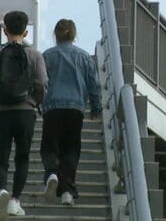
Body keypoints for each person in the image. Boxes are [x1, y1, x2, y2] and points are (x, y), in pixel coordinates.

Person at [0, 11, 48, 220]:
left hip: (0, 114)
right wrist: (35, 101)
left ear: (4, 30)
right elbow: (42, 84)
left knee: (0, 160)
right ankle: (15, 201)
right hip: (25, 113)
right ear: (25, 31)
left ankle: (2, 191)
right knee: (22, 158)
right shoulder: (34, 55)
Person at [40, 18, 102, 205]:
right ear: (73, 35)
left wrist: (36, 103)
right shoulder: (83, 57)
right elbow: (94, 85)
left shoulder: (47, 56)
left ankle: (51, 173)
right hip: (75, 108)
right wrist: (96, 109)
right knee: (71, 148)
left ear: (55, 35)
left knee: (50, 145)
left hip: (52, 107)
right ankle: (67, 191)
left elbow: (39, 81)